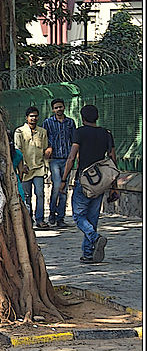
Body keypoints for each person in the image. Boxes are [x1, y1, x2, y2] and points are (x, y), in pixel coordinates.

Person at [60, 105, 116, 264]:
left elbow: (71, 158)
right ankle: (88, 254)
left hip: (84, 180)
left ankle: (95, 237)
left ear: (83, 118)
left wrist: (64, 179)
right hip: (101, 182)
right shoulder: (106, 134)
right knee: (92, 218)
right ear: (97, 117)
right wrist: (114, 186)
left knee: (78, 216)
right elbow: (113, 159)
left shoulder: (79, 132)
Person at [15, 106, 50, 228]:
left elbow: (45, 149)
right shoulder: (19, 132)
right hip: (25, 169)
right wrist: (22, 165)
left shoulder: (42, 132)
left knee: (40, 194)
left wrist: (46, 167)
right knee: (26, 195)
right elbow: (17, 150)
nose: (33, 118)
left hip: (39, 168)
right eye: (31, 116)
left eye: (35, 116)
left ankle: (40, 219)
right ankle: (28, 220)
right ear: (27, 117)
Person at [43, 98, 76, 227]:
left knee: (64, 188)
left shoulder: (70, 122)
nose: (59, 109)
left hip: (67, 159)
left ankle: (60, 217)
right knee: (57, 186)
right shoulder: (48, 123)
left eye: (60, 107)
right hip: (54, 159)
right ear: (53, 109)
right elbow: (44, 139)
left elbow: (74, 140)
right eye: (56, 107)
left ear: (64, 107)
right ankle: (52, 212)